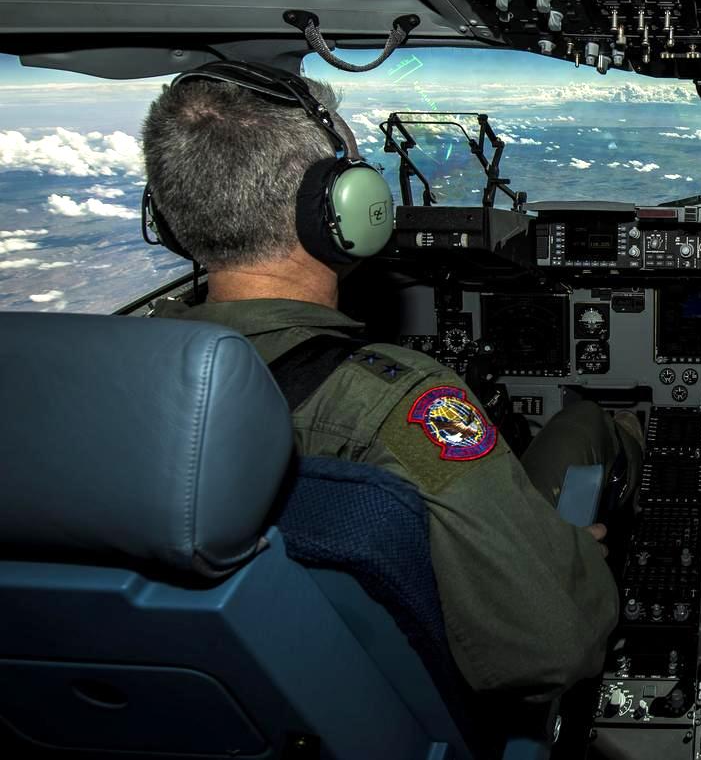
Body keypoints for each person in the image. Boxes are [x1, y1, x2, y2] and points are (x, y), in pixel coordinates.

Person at [140, 62, 641, 699]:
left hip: (244, 694)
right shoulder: (392, 398)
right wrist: (573, 559)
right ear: (340, 208)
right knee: (584, 420)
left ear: (166, 211)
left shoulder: (115, 375)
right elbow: (555, 648)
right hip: (416, 702)